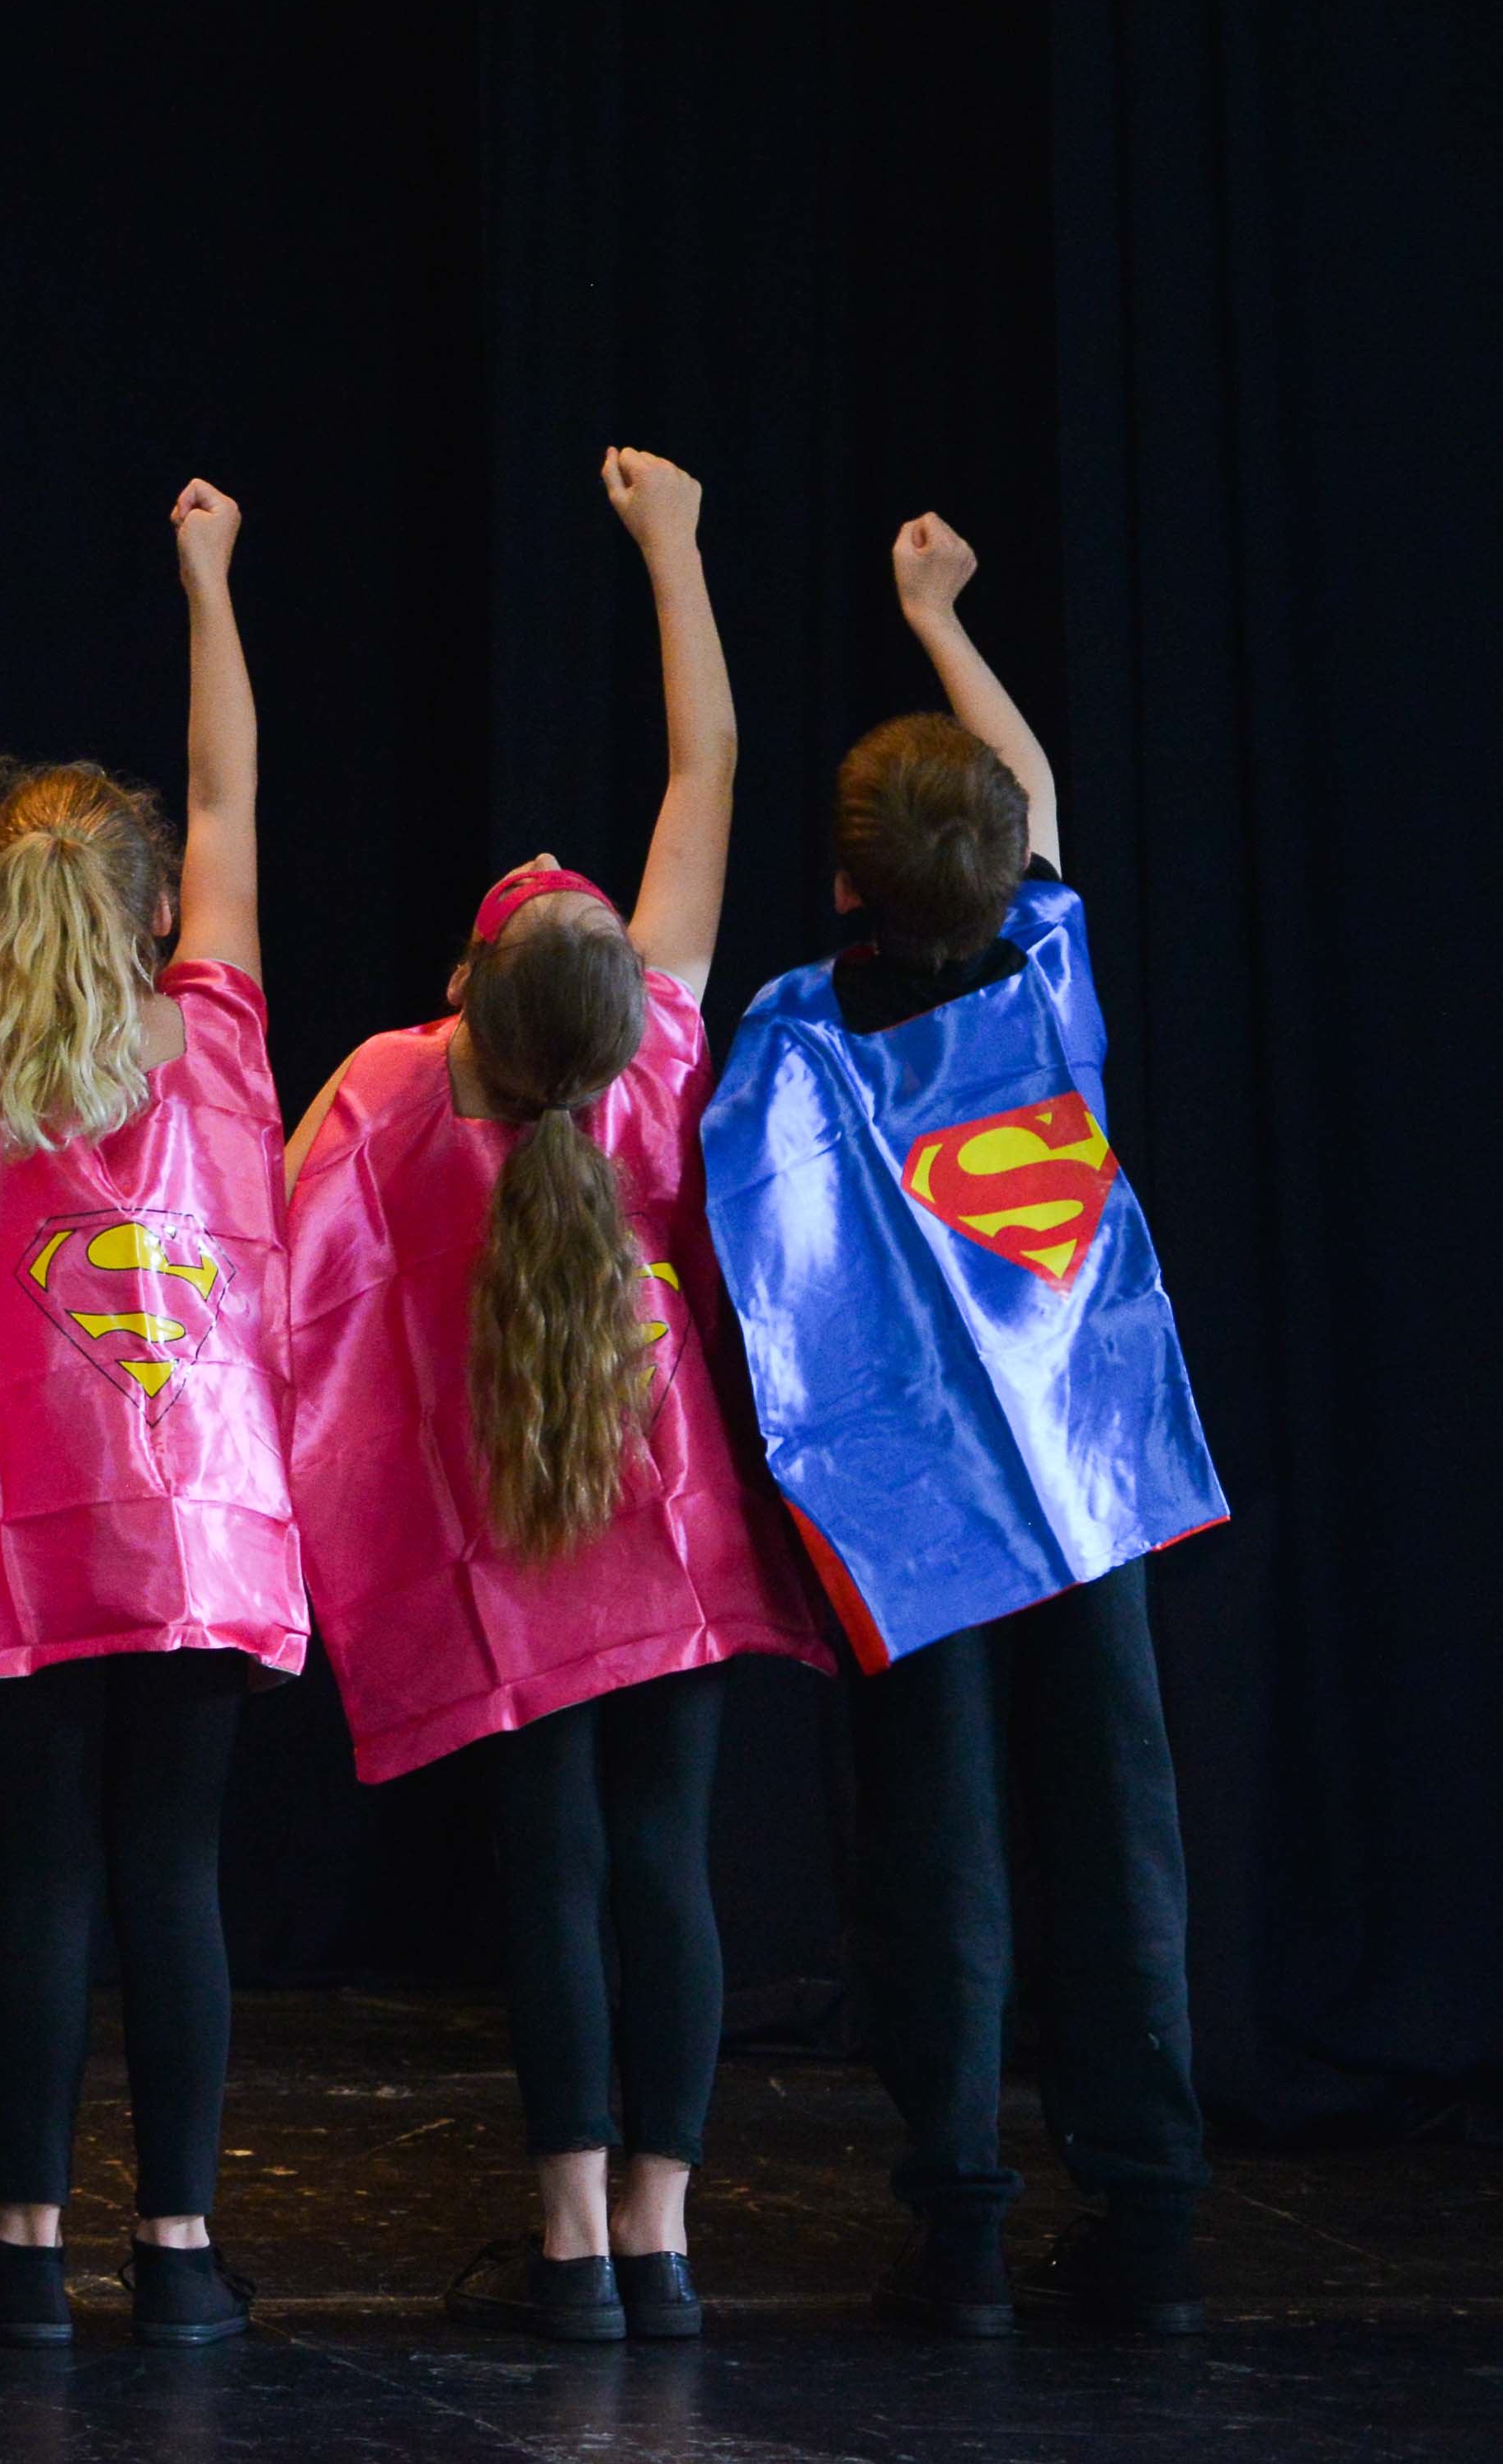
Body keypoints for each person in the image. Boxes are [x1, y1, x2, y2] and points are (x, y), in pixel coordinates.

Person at [279, 451, 834, 2347]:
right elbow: (707, 766)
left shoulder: (392, 1088)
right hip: (666, 1530)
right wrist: (676, 547)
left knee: (551, 1868)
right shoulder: (661, 1046)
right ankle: (661, 2246)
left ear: (469, 990)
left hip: (505, 1526)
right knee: (665, 1859)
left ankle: (571, 2246)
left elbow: (270, 1273)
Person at [704, 512, 1223, 2339]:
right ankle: (1145, 2215)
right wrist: (940, 615)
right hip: (1080, 1479)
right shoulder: (1047, 965)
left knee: (937, 1848)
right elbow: (1035, 799)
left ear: (844, 885)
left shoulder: (794, 1032)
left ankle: (962, 2228)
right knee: (1115, 1826)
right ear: (1001, 880)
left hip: (915, 1503)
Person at [0, 481, 302, 2350]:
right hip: (193, 1541)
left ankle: (25, 2249)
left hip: (13, 1549)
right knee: (171, 1873)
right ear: (150, 909)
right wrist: (205, 578)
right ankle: (176, 2254)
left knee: (39, 1872)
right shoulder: (217, 1039)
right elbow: (227, 798)